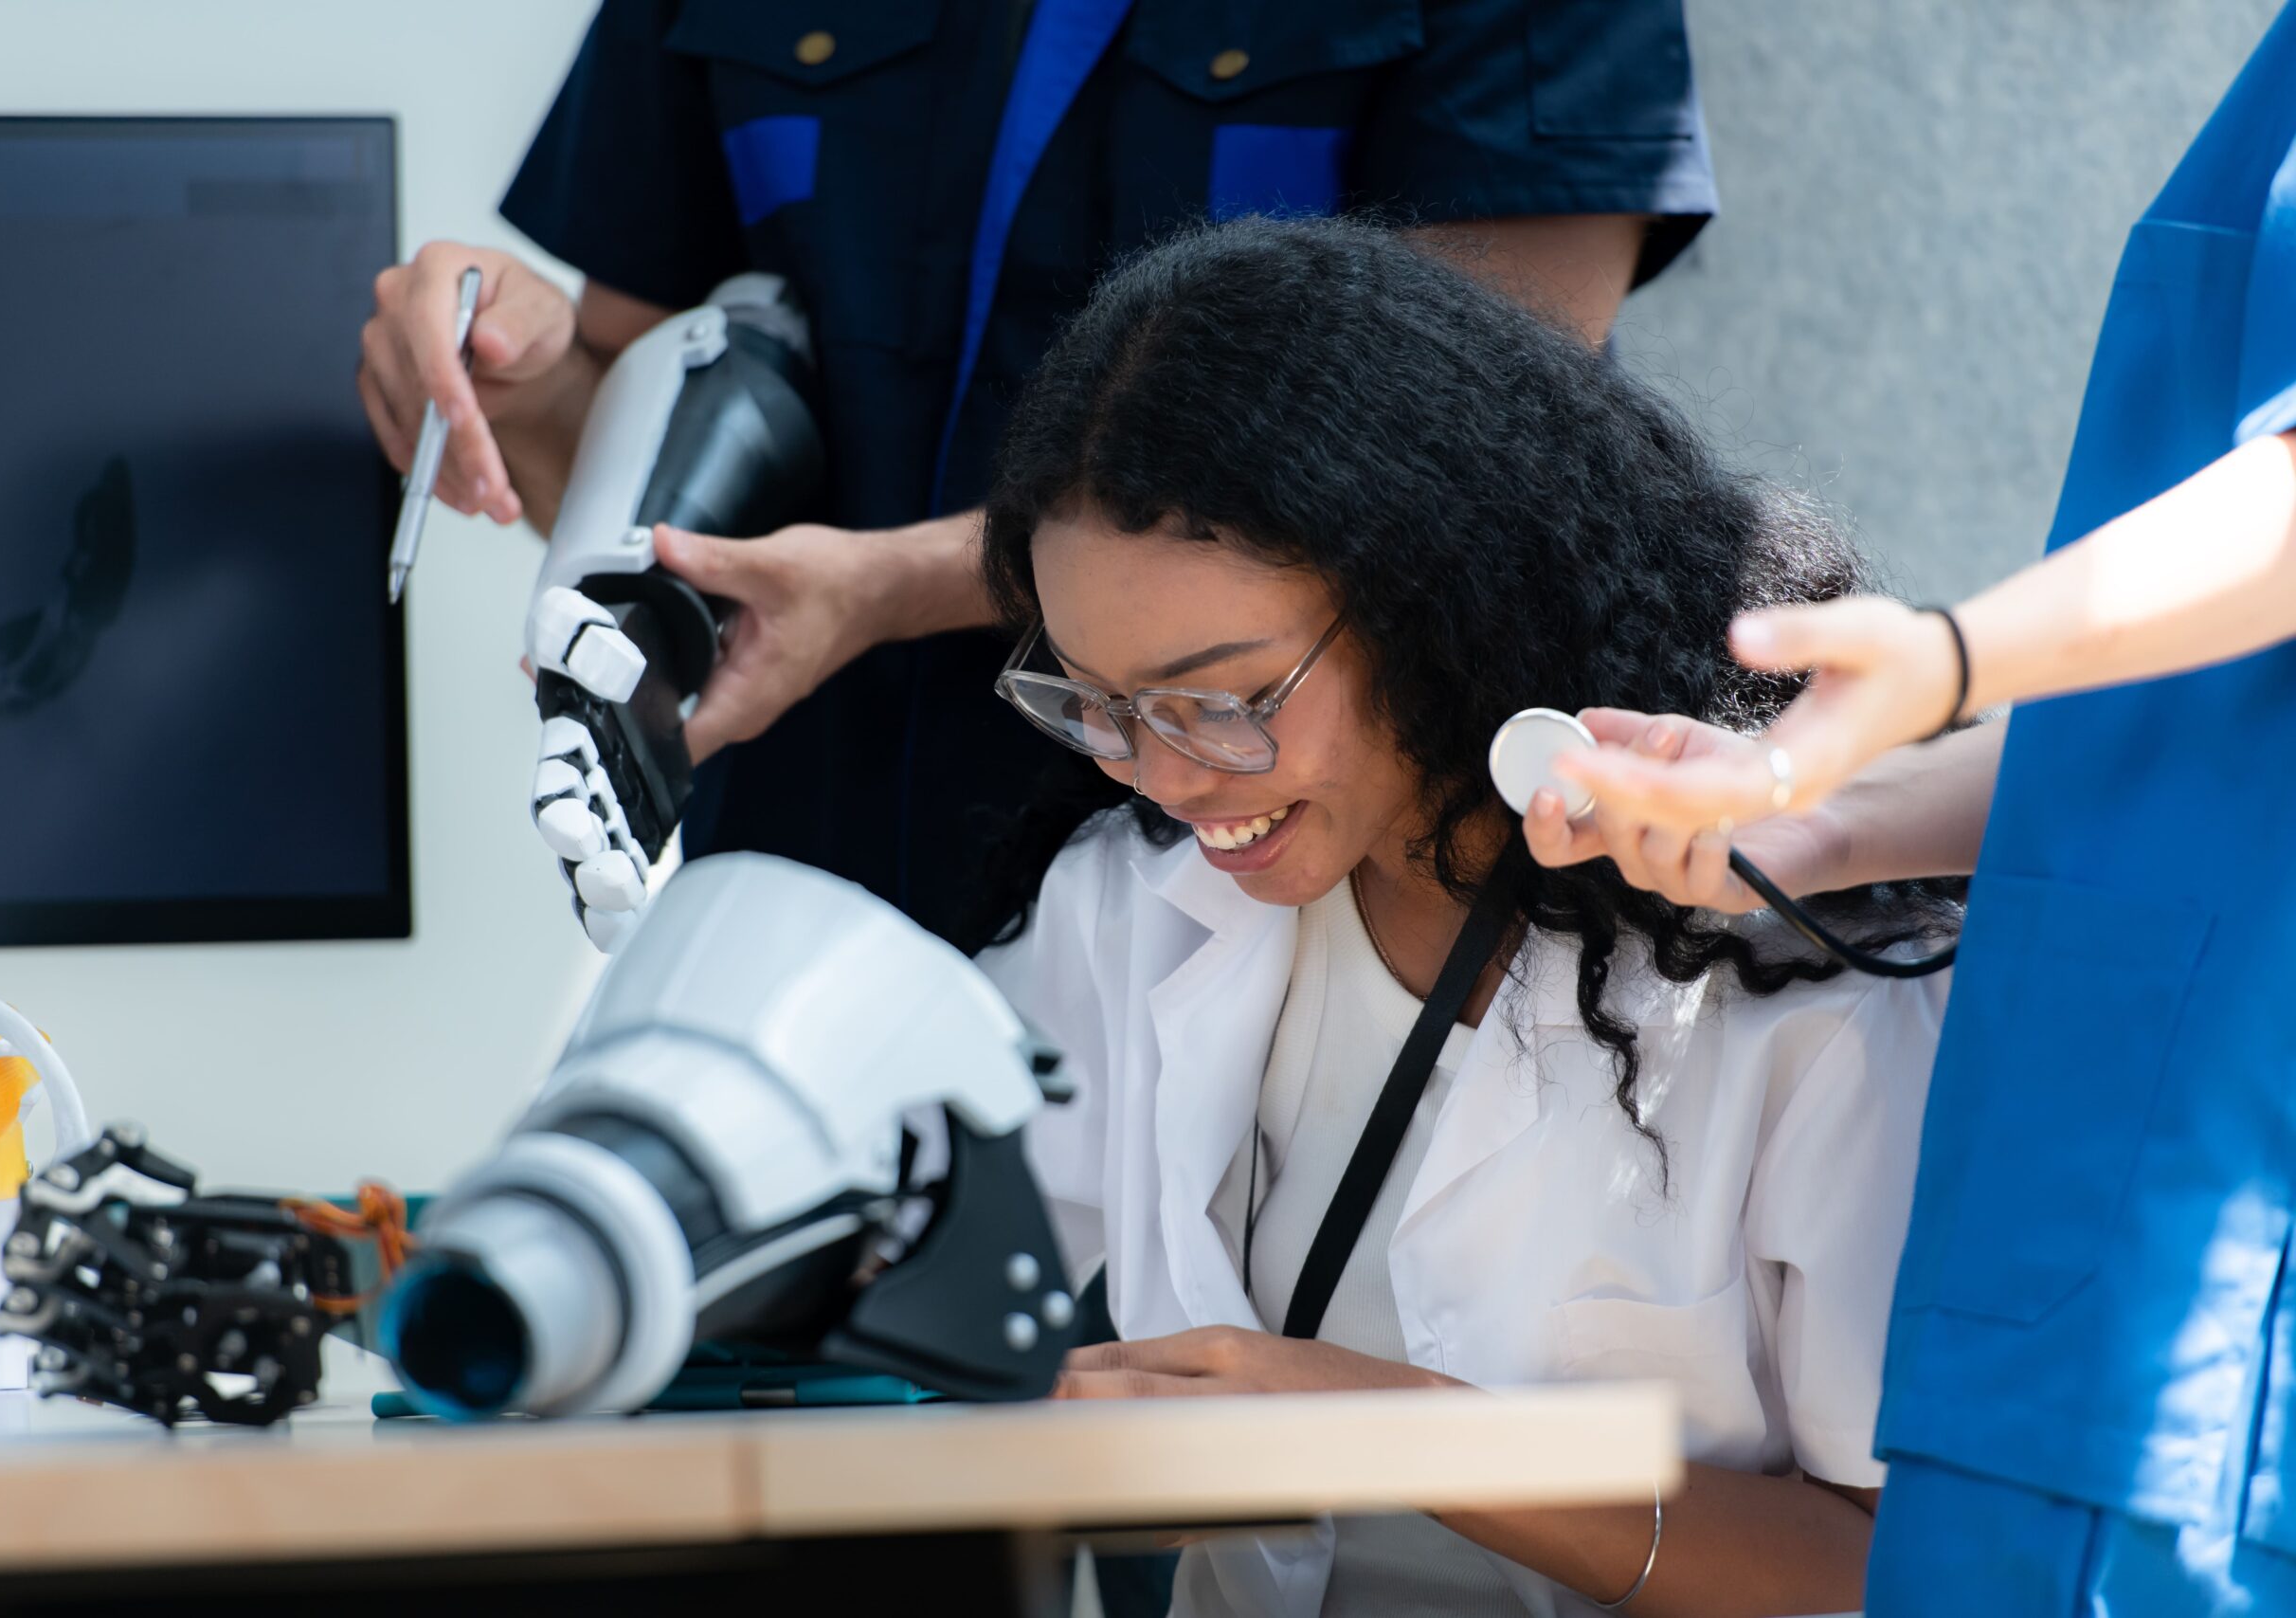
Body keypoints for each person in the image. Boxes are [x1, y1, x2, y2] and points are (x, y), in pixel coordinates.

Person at [972, 215, 1953, 1618]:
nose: (1167, 774)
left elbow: (1900, 1567)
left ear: (1439, 604)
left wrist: (1385, 1430)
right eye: (1101, 705)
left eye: (1224, 700)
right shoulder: (1133, 906)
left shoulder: (1808, 975)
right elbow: (902, 1232)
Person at [354, 0, 1720, 940]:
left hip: (1259, 893)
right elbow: (650, 457)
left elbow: (1482, 438)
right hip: (801, 904)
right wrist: (512, 388)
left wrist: (892, 587)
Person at [1525, 7, 2296, 1611]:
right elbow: (2196, 730)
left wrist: (1952, 657)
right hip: (2077, 1247)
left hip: (2211, 1259)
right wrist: (1814, 824)